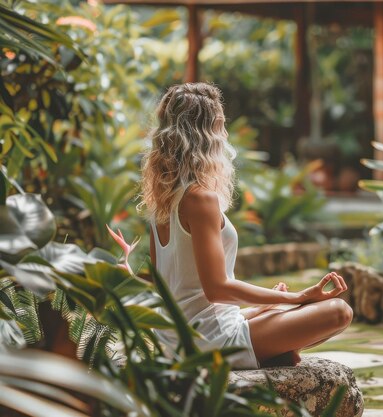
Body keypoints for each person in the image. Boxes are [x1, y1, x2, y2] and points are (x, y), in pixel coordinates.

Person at [139, 82, 353, 369]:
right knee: (339, 312)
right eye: (220, 126)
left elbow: (179, 296)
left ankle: (272, 350)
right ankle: (267, 350)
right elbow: (217, 289)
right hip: (209, 342)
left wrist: (263, 308)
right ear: (204, 135)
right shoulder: (199, 198)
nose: (225, 135)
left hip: (178, 340)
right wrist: (295, 297)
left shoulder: (162, 203)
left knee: (282, 324)